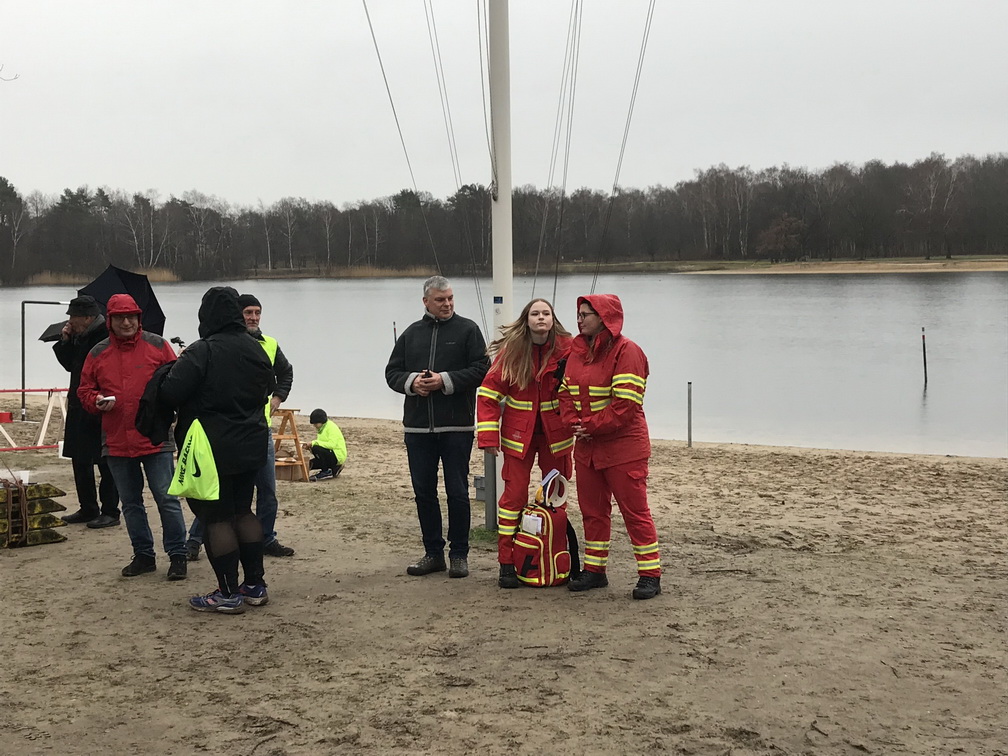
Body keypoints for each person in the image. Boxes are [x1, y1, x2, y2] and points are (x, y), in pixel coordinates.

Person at [159, 286, 276, 613]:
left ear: (206, 315)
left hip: (211, 448)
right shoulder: (256, 348)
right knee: (243, 511)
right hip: (251, 442)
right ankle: (255, 585)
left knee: (217, 518)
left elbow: (171, 393)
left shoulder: (203, 350)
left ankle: (227, 592)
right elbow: (267, 388)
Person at [558, 294, 662, 600]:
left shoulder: (628, 351)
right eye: (578, 314)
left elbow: (626, 405)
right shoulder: (577, 352)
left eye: (586, 315)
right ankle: (595, 570)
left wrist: (588, 425)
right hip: (588, 449)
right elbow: (564, 392)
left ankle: (650, 574)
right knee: (592, 512)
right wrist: (574, 423)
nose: (579, 320)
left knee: (635, 513)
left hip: (623, 449)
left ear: (604, 318)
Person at [78, 293, 188, 580]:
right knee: (130, 504)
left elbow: (177, 381)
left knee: (167, 499)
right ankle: (143, 556)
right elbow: (84, 390)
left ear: (139, 319)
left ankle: (178, 555)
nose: (126, 323)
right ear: (110, 321)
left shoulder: (158, 345)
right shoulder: (97, 353)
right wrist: (96, 401)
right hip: (116, 440)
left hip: (155, 437)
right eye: (120, 318)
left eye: (131, 317)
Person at [385, 275, 489, 579]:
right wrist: (412, 383)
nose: (447, 304)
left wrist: (445, 380)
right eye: (440, 300)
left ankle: (459, 555)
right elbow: (392, 372)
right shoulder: (411, 334)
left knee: (457, 492)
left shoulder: (468, 330)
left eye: (450, 298)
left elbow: (482, 370)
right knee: (424, 493)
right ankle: (433, 554)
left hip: (456, 427)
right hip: (418, 429)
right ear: (426, 301)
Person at [184, 293, 296, 560]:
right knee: (218, 491)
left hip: (260, 430)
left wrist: (278, 398)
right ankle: (195, 540)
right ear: (237, 315)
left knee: (268, 491)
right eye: (248, 313)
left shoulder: (270, 344)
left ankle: (267, 538)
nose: (253, 318)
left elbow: (286, 373)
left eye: (257, 312)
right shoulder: (215, 344)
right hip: (226, 433)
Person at [477, 298, 574, 588]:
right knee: (513, 499)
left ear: (553, 319)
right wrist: (488, 436)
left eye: (546, 313)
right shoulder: (512, 351)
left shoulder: (568, 348)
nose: (541, 318)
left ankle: (554, 557)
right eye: (535, 313)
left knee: (556, 499)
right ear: (526, 319)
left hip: (556, 438)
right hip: (518, 438)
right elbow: (488, 394)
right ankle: (507, 563)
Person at [54, 295, 121, 528]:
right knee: (80, 459)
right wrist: (65, 342)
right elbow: (71, 366)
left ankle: (110, 510)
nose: (70, 321)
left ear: (87, 317)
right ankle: (88, 508)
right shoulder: (80, 336)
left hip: (100, 405)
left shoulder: (106, 336)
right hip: (78, 403)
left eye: (73, 317)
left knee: (104, 460)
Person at [304, 408, 347, 481]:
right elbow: (322, 446)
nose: (314, 426)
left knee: (316, 448)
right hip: (329, 454)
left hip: (337, 455)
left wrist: (314, 443)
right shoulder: (321, 429)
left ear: (321, 422)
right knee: (309, 464)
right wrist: (310, 448)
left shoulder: (331, 427)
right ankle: (334, 468)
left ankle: (326, 471)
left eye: (316, 424)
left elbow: (332, 445)